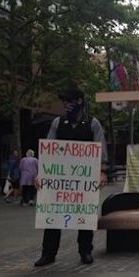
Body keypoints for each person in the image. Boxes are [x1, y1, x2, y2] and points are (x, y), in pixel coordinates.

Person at [34, 88, 108, 267]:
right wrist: (41, 173)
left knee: (84, 215)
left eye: (70, 101)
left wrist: (102, 171)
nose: (66, 105)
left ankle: (85, 250)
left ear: (80, 102)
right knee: (53, 215)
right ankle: (48, 253)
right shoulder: (57, 123)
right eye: (64, 102)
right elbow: (48, 150)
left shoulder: (92, 123)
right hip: (59, 180)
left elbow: (101, 149)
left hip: (84, 179)